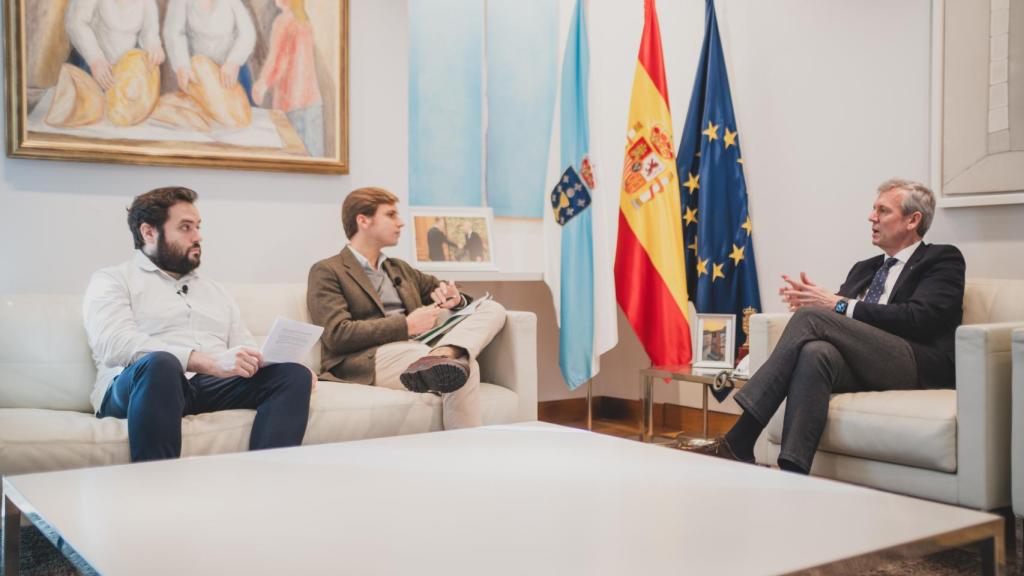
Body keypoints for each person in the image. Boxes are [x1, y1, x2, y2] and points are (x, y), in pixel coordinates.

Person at [696, 179, 965, 474]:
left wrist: (831, 305)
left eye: (883, 211)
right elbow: (838, 322)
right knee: (816, 352)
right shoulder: (865, 268)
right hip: (863, 361)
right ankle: (793, 473)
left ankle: (740, 438)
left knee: (812, 318)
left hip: (913, 362)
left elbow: (920, 319)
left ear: (913, 220)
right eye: (873, 209)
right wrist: (816, 302)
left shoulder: (942, 259)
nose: (871, 217)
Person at [83, 186, 314, 462]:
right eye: (185, 227)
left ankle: (265, 482)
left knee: (292, 375)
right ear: (148, 232)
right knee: (161, 364)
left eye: (198, 227)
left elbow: (244, 346)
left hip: (206, 386)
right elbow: (114, 343)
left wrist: (273, 362)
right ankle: (156, 491)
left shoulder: (214, 290)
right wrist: (204, 362)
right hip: (140, 387)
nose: (198, 236)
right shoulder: (113, 279)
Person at [307, 187, 507, 429]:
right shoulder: (328, 270)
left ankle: (443, 354)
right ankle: (464, 452)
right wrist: (406, 325)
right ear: (363, 220)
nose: (400, 223)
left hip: (419, 347)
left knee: (492, 309)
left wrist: (456, 298)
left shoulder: (398, 268)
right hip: (370, 357)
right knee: (465, 366)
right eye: (390, 215)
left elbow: (440, 287)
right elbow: (336, 334)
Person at [252, 0, 324, 156]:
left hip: (291, 103)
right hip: (313, 103)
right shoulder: (305, 21)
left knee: (293, 161)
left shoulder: (283, 21)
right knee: (315, 159)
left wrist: (261, 85)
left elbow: (277, 61)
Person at [163, 0, 257, 99]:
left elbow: (248, 33)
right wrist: (181, 65)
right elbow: (173, 33)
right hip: (199, 73)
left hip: (231, 71)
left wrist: (234, 61)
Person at [65, 0, 165, 90]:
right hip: (88, 64)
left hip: (122, 72)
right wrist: (95, 59)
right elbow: (75, 23)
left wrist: (153, 46)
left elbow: (150, 33)